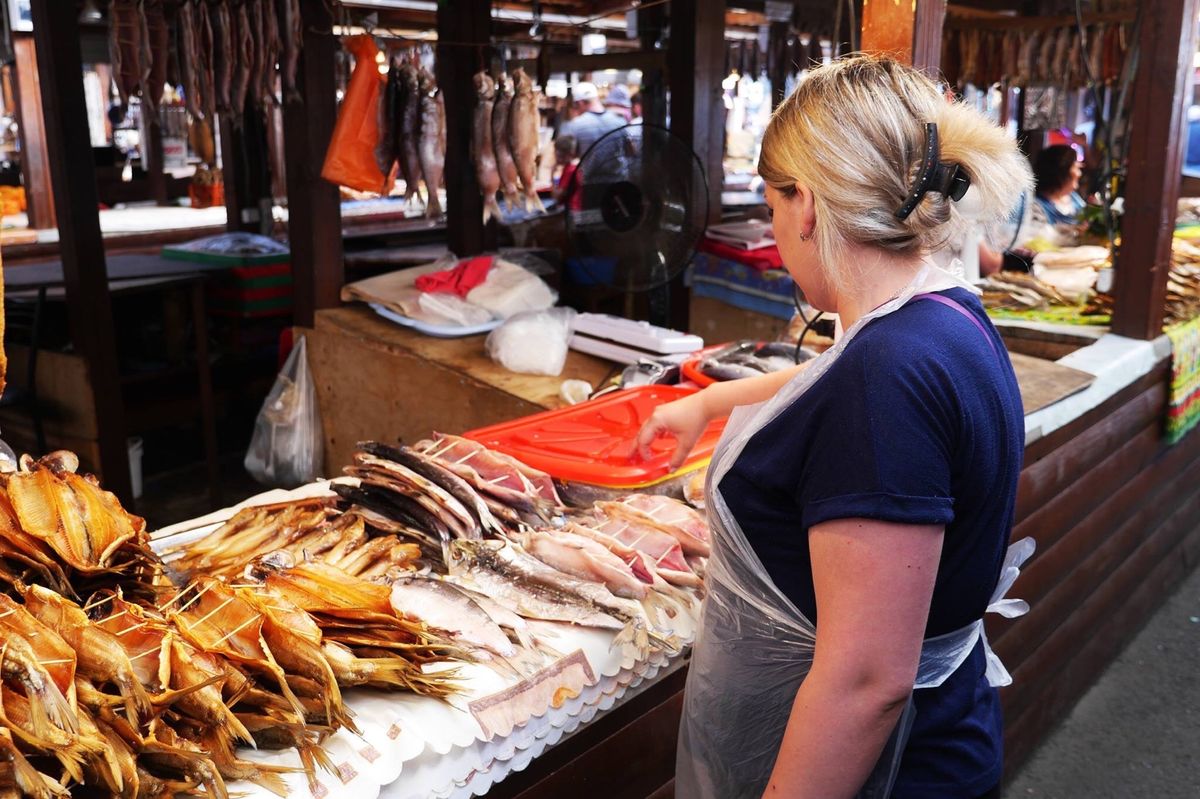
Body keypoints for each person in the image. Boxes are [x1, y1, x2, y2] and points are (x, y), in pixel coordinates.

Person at [636, 54, 1033, 799]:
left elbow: (865, 681)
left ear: (807, 205)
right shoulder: (939, 316)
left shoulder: (886, 379)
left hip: (895, 774)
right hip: (952, 732)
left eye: (772, 206)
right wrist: (709, 403)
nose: (775, 228)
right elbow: (835, 377)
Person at [557, 82, 627, 157]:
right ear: (597, 98)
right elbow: (629, 151)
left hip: (589, 165)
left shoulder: (576, 125)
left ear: (580, 103)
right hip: (617, 165)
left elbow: (563, 154)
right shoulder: (620, 120)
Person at [1032, 144, 1086, 232]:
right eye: (1076, 167)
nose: (1079, 173)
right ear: (1061, 172)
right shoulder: (1037, 206)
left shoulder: (1075, 198)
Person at [552, 134, 582, 211]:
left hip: (572, 210)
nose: (558, 159)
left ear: (571, 154)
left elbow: (557, 197)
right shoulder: (575, 166)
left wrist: (552, 176)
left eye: (560, 156)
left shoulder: (570, 170)